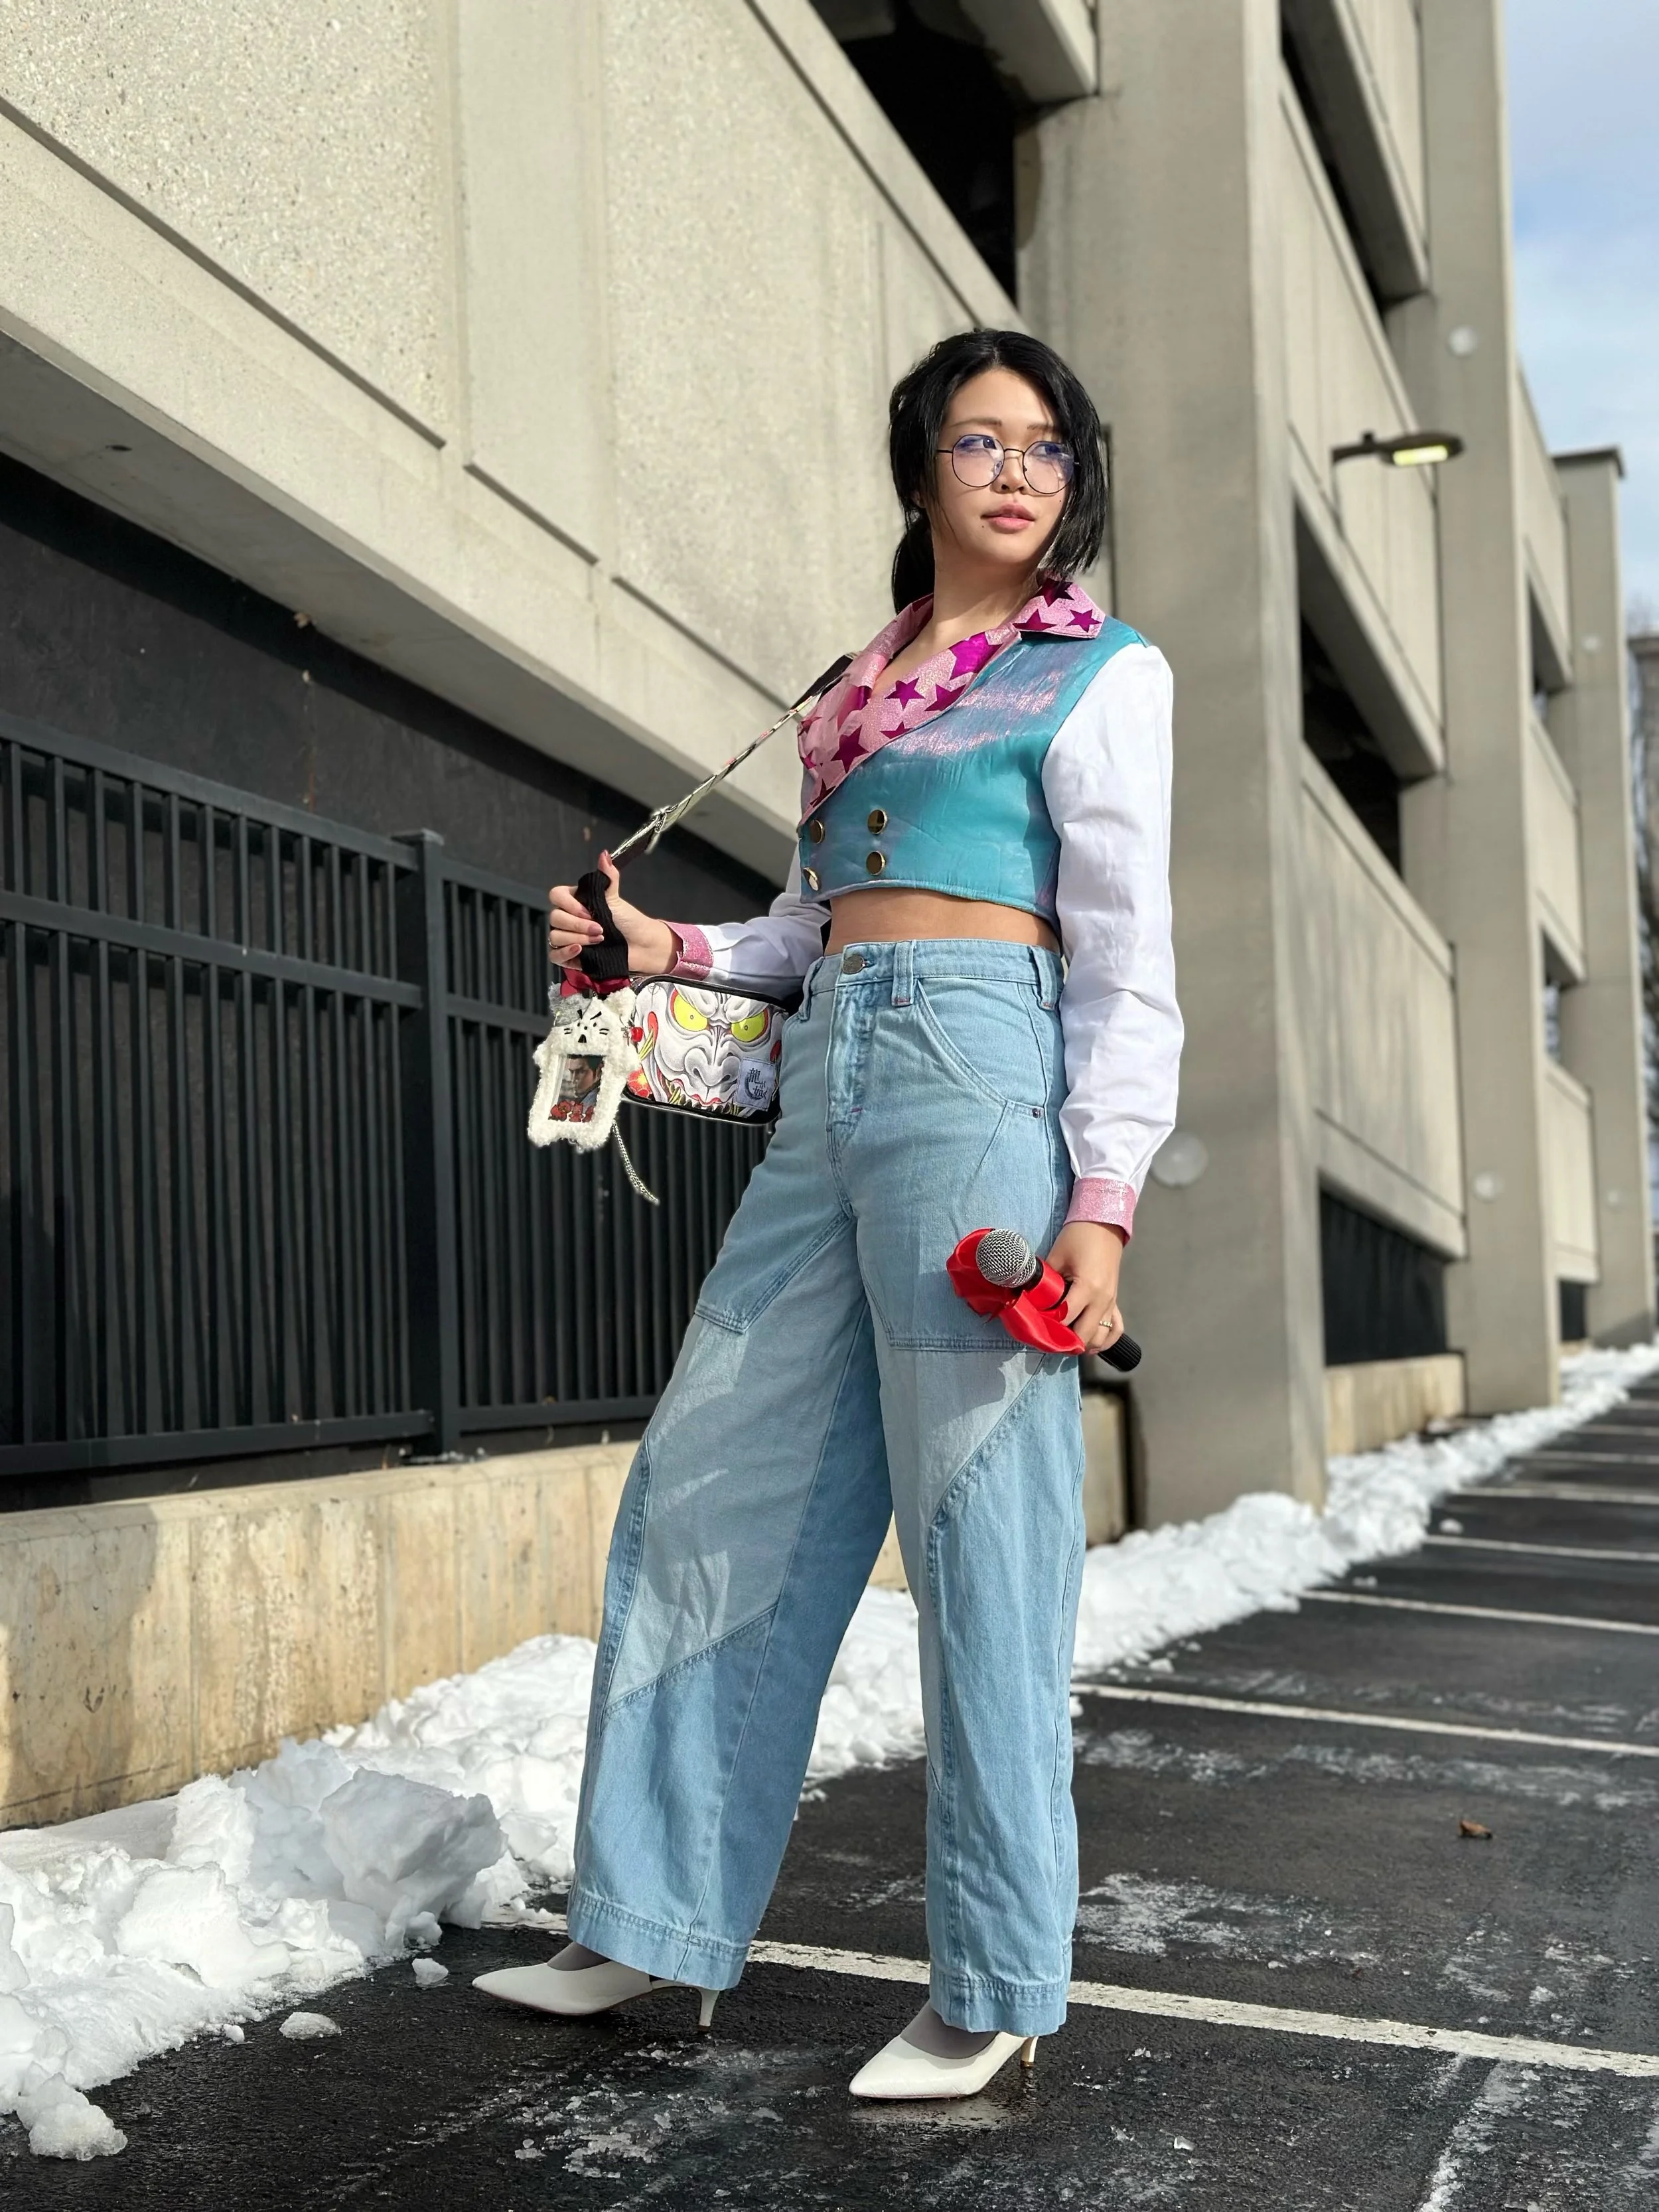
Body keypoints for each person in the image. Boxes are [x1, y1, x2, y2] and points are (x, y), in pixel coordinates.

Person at [476, 329, 1182, 2100]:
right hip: (834, 1085)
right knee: (709, 1478)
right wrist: (660, 951)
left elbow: (1126, 962)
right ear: (918, 468)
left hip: (979, 1086)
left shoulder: (1096, 674)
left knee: (978, 1538)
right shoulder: (854, 687)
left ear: (1070, 480)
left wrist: (1099, 1200)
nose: (1012, 473)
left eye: (1042, 447)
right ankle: (650, 1918)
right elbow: (806, 934)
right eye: (975, 441)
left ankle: (997, 1970)